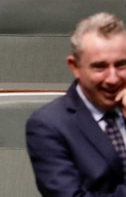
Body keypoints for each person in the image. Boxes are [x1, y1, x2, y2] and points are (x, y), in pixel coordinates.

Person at [26, 12, 126, 196]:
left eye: (121, 65)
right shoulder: (49, 125)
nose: (113, 79)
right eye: (100, 67)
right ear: (75, 67)